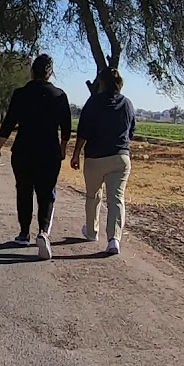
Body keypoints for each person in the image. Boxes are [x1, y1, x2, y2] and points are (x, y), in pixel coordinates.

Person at [0, 54, 72, 261]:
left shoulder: (21, 94)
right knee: (46, 193)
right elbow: (66, 128)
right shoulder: (60, 96)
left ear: (32, 71)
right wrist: (63, 148)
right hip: (49, 151)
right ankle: (43, 232)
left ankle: (24, 233)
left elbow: (8, 123)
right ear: (51, 73)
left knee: (24, 190)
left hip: (24, 150)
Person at [70, 68, 136, 256]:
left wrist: (76, 154)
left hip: (95, 158)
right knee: (116, 198)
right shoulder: (127, 104)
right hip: (120, 158)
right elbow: (131, 131)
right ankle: (114, 239)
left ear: (102, 83)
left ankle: (92, 231)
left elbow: (83, 131)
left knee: (93, 195)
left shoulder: (93, 103)